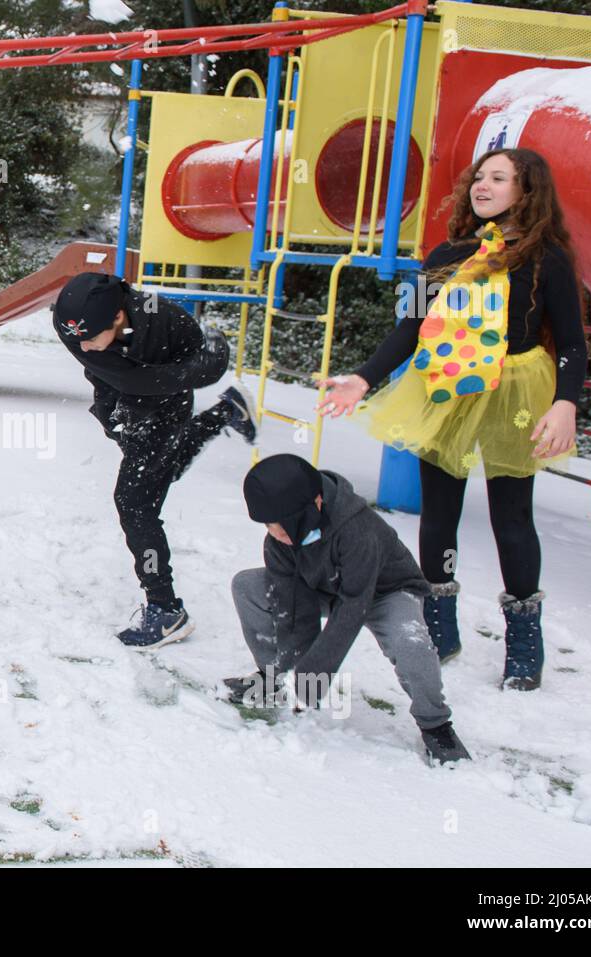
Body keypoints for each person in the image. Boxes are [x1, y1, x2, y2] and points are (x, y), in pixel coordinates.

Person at [318, 148, 586, 691]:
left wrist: (565, 402)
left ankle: (524, 636)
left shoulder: (546, 257)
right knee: (439, 512)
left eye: (499, 178)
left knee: (512, 518)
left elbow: (573, 345)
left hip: (516, 391)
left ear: (527, 190)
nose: (482, 185)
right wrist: (365, 378)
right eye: (478, 177)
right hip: (449, 387)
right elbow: (410, 328)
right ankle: (440, 623)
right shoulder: (445, 252)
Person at [53, 271, 256, 648]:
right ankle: (227, 412)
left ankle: (165, 609)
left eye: (91, 338)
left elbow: (196, 371)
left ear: (117, 317)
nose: (83, 346)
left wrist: (214, 352)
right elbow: (107, 372)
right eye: (77, 339)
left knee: (134, 503)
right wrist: (110, 411)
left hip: (169, 397)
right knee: (163, 472)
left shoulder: (165, 322)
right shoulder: (73, 329)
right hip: (124, 393)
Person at [225, 454, 470, 765]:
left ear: (314, 503)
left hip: (386, 592)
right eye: (270, 526)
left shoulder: (358, 530)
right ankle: (272, 681)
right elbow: (293, 607)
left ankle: (436, 724)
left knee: (411, 643)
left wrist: (314, 675)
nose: (277, 534)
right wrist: (292, 669)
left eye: (284, 525)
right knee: (247, 586)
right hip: (325, 588)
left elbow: (353, 608)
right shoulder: (279, 540)